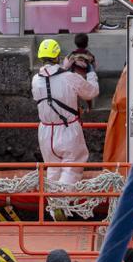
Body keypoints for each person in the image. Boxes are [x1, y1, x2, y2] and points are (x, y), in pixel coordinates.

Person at [32, 38, 100, 186]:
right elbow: (92, 92)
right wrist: (91, 72)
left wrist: (65, 68)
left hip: (45, 133)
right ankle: (61, 203)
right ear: (57, 56)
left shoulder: (35, 80)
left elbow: (53, 82)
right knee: (72, 170)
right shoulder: (70, 78)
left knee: (53, 170)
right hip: (68, 130)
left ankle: (51, 205)